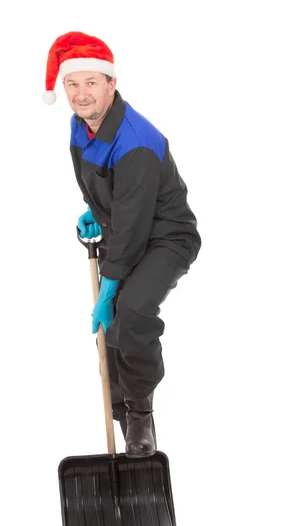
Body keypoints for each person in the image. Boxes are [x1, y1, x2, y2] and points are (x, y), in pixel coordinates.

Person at [43, 31, 201, 458]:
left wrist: (111, 285)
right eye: (72, 84)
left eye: (91, 83)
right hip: (124, 225)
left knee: (130, 310)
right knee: (111, 326)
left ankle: (139, 412)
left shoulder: (136, 140)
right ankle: (118, 407)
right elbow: (102, 185)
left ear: (112, 84)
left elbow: (133, 227)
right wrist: (96, 208)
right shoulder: (82, 126)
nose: (81, 94)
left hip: (166, 235)